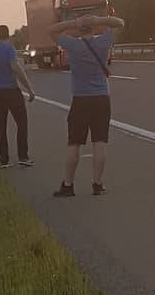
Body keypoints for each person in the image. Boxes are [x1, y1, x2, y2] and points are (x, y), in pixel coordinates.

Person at [47, 10, 125, 196]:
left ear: (79, 30)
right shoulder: (103, 42)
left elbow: (51, 30)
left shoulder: (72, 46)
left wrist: (73, 23)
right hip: (101, 98)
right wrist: (98, 19)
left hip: (80, 99)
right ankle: (97, 184)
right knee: (100, 142)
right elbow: (120, 22)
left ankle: (68, 185)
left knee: (74, 144)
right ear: (93, 27)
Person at [0, 25, 36, 167]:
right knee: (22, 122)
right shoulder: (9, 49)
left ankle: (4, 159)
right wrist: (29, 89)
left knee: (1, 124)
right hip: (11, 90)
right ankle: (23, 156)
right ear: (8, 36)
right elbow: (16, 69)